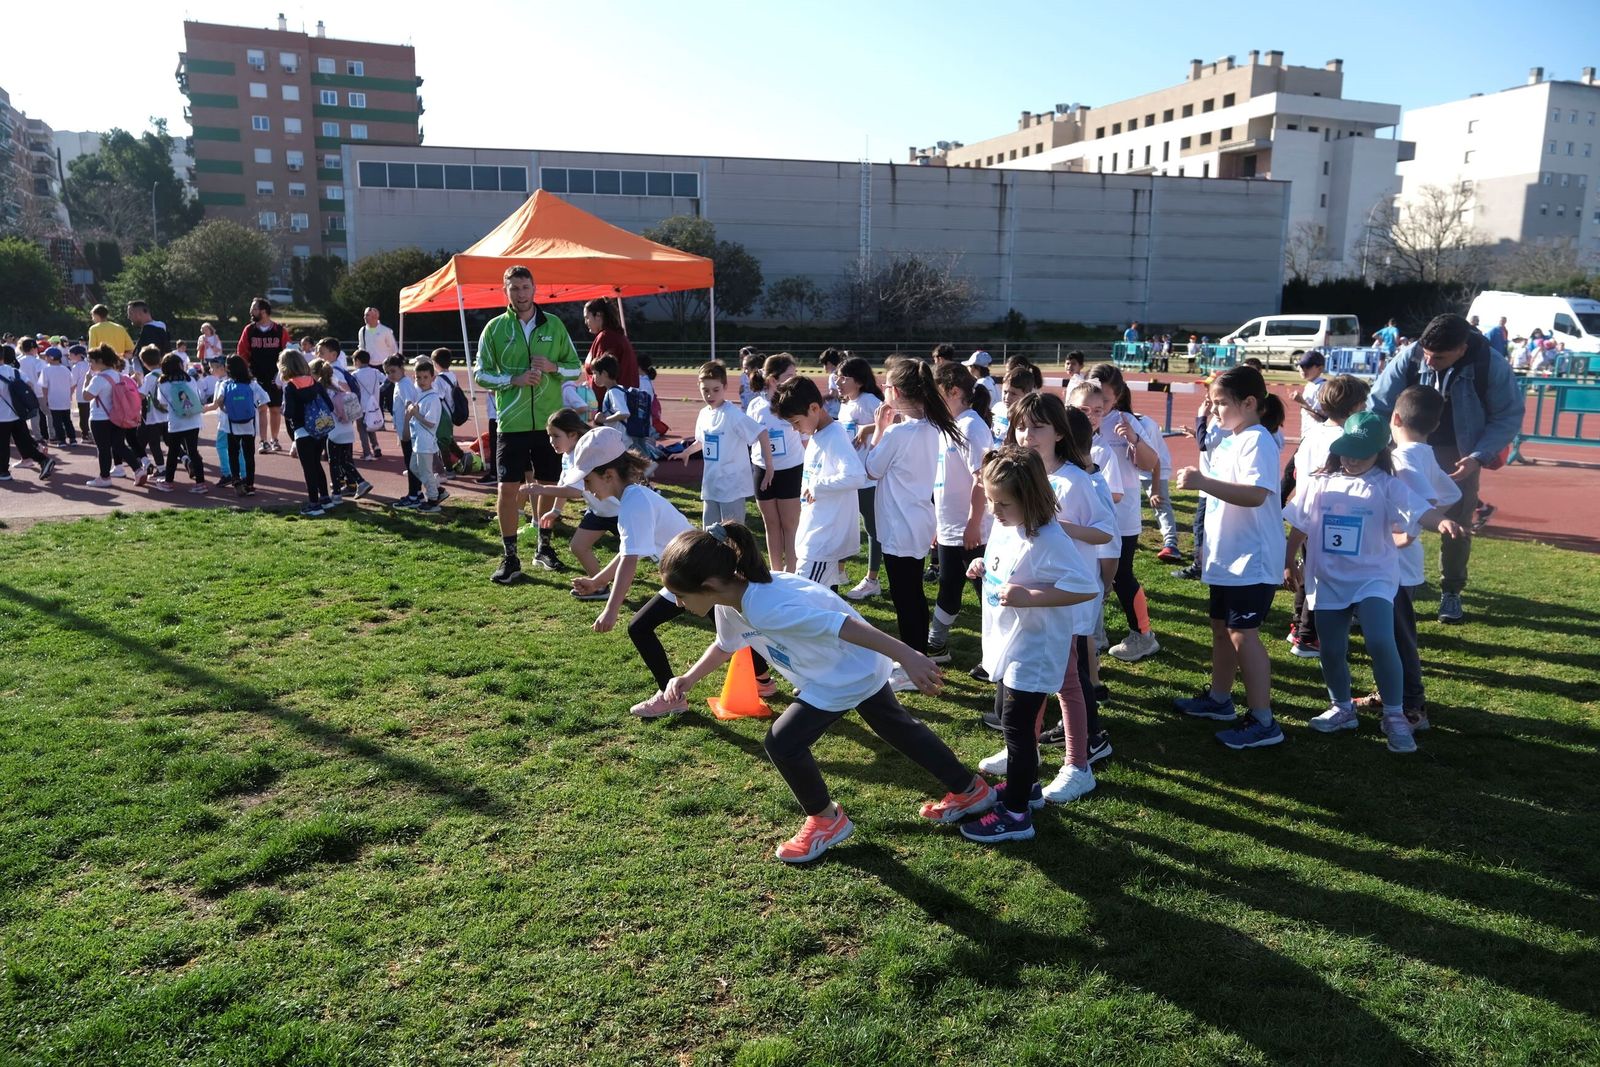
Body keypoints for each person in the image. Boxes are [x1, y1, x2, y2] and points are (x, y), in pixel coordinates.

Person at [657, 522, 997, 863]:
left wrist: (907, 654)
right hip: (852, 666)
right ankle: (970, 790)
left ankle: (825, 819)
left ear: (710, 584)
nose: (678, 603)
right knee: (898, 728)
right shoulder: (732, 598)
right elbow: (725, 645)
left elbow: (842, 625)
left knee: (783, 742)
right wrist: (689, 677)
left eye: (682, 595)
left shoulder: (765, 605)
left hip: (842, 675)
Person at [1284, 412, 1464, 754]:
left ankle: (1395, 716)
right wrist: (1288, 560)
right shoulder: (1320, 482)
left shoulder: (1388, 484)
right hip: (1328, 578)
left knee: (1381, 641)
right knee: (1332, 649)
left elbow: (1421, 509)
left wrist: (1441, 522)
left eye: (1361, 453)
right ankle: (1342, 708)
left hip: (1374, 578)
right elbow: (1300, 523)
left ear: (1379, 451)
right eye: (1348, 451)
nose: (1352, 459)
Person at [567, 427, 776, 717]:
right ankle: (762, 680)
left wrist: (611, 609)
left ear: (608, 474)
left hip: (695, 572)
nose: (587, 489)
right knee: (733, 625)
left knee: (641, 627)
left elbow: (629, 559)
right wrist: (598, 580)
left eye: (588, 480)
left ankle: (671, 695)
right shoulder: (633, 497)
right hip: (695, 567)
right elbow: (632, 549)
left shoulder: (633, 502)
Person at [960, 447, 1100, 843]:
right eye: (989, 500)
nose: (994, 510)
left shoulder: (1051, 539)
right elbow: (1009, 567)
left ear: (1030, 497)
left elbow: (1084, 587)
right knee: (1010, 720)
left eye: (1002, 502)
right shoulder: (1009, 527)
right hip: (1009, 643)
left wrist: (1031, 597)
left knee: (1019, 729)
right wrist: (984, 568)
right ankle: (1030, 788)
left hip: (1036, 650)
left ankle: (1017, 814)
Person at [1367, 313, 1524, 625]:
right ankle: (1379, 584)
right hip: (1403, 447)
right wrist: (1373, 450)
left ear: (1462, 349)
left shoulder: (1490, 365)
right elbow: (1379, 403)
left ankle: (1451, 591)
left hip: (1460, 453)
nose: (1429, 360)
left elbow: (1508, 415)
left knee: (1457, 521)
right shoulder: (1410, 357)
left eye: (1438, 356)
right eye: (1426, 352)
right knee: (1385, 516)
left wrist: (1478, 456)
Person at [1172, 365, 1287, 750]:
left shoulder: (1257, 440)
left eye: (1220, 403)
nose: (1214, 409)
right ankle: (1220, 700)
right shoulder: (1230, 439)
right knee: (1222, 629)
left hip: (1251, 559)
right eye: (1212, 402)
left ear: (1250, 403)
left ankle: (1264, 720)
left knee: (1242, 633)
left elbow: (1256, 494)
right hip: (1227, 557)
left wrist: (1203, 482)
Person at [1002, 392, 1115, 779]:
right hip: (1029, 598)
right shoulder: (1021, 474)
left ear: (1059, 433)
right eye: (1020, 427)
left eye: (1037, 427)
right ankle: (1022, 749)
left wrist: (1059, 527)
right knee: (1029, 677)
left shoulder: (1075, 481)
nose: (1027, 435)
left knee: (1067, 681)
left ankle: (1077, 763)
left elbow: (1105, 532)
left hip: (1064, 597)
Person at [474, 266, 584, 583]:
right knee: (507, 489)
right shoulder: (494, 329)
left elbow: (575, 369)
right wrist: (514, 379)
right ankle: (510, 558)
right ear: (505, 291)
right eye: (514, 288)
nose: (520, 294)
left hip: (550, 424)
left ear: (534, 288)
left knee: (547, 484)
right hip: (511, 423)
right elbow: (481, 374)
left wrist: (552, 367)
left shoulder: (554, 325)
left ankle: (543, 548)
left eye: (525, 287)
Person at [865, 357, 962, 691]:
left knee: (906, 597)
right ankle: (918, 657)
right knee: (913, 595)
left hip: (899, 525)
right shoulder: (935, 426)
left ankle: (913, 666)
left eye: (886, 386)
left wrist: (879, 429)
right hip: (919, 520)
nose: (883, 391)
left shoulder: (898, 432)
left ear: (896, 392)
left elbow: (872, 469)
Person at [1383, 387, 1463, 730]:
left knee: (1399, 639)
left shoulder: (1402, 457)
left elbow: (1427, 501)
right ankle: (1392, 696)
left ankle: (1413, 708)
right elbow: (1451, 492)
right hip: (1404, 566)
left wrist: (1408, 534)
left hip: (1397, 565)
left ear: (1395, 418)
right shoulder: (1425, 453)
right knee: (1391, 636)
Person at [1284, 374, 1370, 659]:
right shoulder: (1347, 438)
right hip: (1334, 516)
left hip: (1306, 512)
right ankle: (1309, 636)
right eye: (1364, 403)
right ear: (1355, 407)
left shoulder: (1313, 433)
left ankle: (1298, 626)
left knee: (1309, 570)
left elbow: (1298, 470)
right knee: (1324, 578)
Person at [773, 375, 867, 590]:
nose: (795, 429)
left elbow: (856, 476)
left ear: (814, 408)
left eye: (796, 422)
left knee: (805, 600)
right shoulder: (818, 435)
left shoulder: (834, 435)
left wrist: (817, 486)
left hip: (822, 542)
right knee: (825, 606)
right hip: (815, 535)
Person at [928, 362, 994, 665]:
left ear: (953, 392)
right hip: (950, 528)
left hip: (972, 531)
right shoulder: (950, 426)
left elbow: (983, 479)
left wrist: (973, 523)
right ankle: (937, 644)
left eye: (935, 393)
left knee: (989, 595)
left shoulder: (972, 427)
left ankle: (994, 657)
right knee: (949, 584)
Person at [519, 408, 620, 586]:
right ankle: (599, 586)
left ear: (573, 435)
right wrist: (555, 510)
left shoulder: (582, 455)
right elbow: (564, 485)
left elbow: (575, 492)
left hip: (620, 512)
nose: (551, 441)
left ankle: (677, 581)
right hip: (598, 512)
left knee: (648, 552)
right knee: (578, 547)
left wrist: (541, 489)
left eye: (556, 436)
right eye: (549, 436)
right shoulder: (567, 455)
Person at [675, 361, 772, 528]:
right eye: (705, 390)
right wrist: (687, 452)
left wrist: (769, 466)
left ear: (725, 386)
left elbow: (761, 433)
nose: (710, 395)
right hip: (711, 485)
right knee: (710, 534)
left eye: (715, 390)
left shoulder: (733, 414)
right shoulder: (704, 413)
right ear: (699, 387)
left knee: (733, 536)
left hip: (732, 487)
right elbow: (701, 441)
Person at [746, 354, 804, 573]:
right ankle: (776, 572)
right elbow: (750, 438)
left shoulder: (795, 404)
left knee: (790, 526)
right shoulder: (756, 406)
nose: (793, 380)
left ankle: (792, 574)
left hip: (791, 469)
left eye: (794, 375)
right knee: (771, 524)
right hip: (761, 470)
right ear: (772, 380)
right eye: (789, 376)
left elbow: (805, 439)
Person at [836, 356, 885, 601]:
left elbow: (893, 420)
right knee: (845, 523)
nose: (838, 380)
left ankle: (872, 580)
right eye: (838, 375)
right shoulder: (846, 403)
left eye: (844, 377)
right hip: (849, 476)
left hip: (868, 479)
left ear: (859, 380)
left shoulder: (869, 400)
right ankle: (840, 572)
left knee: (872, 529)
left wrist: (868, 428)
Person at [280, 347, 336, 516]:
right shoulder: (315, 383)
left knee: (308, 468)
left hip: (303, 431)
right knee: (316, 464)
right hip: (320, 429)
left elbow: (289, 412)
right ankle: (325, 498)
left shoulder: (290, 387)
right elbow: (330, 406)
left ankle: (314, 504)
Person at [238, 297, 291, 452]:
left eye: (254, 308)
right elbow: (242, 353)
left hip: (275, 376)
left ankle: (275, 439)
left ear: (263, 311)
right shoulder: (249, 330)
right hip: (256, 376)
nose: (251, 311)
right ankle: (263, 441)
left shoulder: (279, 331)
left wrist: (282, 373)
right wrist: (246, 373)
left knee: (275, 409)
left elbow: (288, 353)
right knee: (262, 408)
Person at [82, 344, 139, 487]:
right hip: (118, 416)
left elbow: (86, 396)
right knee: (120, 446)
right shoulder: (118, 375)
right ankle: (138, 469)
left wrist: (87, 380)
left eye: (91, 361)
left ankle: (104, 477)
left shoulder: (98, 379)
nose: (90, 364)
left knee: (103, 449)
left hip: (100, 418)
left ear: (100, 361)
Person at [314, 356, 369, 500]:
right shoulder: (336, 385)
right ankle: (361, 482)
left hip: (334, 430)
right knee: (345, 460)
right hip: (347, 428)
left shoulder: (321, 389)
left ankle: (337, 494)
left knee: (333, 462)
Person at [152, 352, 207, 494]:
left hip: (176, 422)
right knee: (193, 451)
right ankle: (201, 483)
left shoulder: (163, 384)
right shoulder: (190, 380)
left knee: (173, 452)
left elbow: (163, 403)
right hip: (194, 420)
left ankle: (168, 482)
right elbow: (197, 396)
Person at [0, 349, 57, 481]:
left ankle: (3, 472)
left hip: (2, 416)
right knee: (23, 442)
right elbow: (29, 386)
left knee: (3, 445)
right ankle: (43, 460)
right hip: (18, 414)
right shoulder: (14, 371)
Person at [383, 355, 425, 508]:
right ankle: (417, 493)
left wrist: (406, 429)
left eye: (393, 371)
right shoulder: (400, 383)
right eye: (387, 372)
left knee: (411, 465)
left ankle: (413, 495)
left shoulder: (404, 384)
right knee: (412, 464)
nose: (390, 375)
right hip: (405, 431)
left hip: (409, 432)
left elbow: (409, 407)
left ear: (402, 369)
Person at [405, 357, 445, 514]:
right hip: (418, 440)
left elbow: (431, 423)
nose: (422, 381)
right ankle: (438, 489)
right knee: (414, 467)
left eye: (426, 377)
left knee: (425, 470)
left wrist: (416, 414)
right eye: (419, 377)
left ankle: (433, 500)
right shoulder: (421, 394)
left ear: (433, 378)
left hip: (426, 441)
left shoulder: (433, 398)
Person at [582, 298, 639, 389]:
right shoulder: (613, 335)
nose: (585, 322)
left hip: (612, 401)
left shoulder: (607, 338)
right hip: (619, 398)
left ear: (598, 315)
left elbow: (603, 378)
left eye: (587, 318)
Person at [350, 349, 385, 460]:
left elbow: (351, 389)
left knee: (362, 430)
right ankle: (376, 447)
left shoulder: (355, 374)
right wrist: (378, 391)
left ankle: (367, 453)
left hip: (361, 406)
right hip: (374, 405)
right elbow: (386, 380)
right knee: (371, 427)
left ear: (358, 361)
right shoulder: (375, 372)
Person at [40, 346, 76, 446]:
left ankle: (61, 440)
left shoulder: (46, 370)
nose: (45, 358)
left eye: (46, 356)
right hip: (65, 399)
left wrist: (45, 398)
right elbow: (72, 384)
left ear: (51, 357)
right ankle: (72, 438)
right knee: (67, 420)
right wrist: (70, 395)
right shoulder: (65, 369)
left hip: (54, 400)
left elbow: (44, 387)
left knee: (57, 422)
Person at [15, 339, 47, 442]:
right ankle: (43, 436)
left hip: (22, 392)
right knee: (44, 414)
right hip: (39, 391)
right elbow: (40, 377)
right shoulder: (38, 361)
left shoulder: (18, 360)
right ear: (33, 349)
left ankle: (26, 436)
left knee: (23, 415)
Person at [357, 307, 400, 371]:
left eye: (367, 315)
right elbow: (361, 347)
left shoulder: (385, 331)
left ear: (375, 317)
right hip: (368, 366)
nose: (365, 317)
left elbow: (393, 348)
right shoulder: (362, 331)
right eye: (365, 315)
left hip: (384, 366)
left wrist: (394, 364)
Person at [1290, 351, 1328, 422]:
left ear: (1320, 368)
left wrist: (1302, 402)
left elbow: (1322, 418)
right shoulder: (1310, 385)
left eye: (1308, 366)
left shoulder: (1322, 387)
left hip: (1317, 431)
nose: (1303, 369)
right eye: (1301, 366)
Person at [69, 345, 90, 438]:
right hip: (92, 394)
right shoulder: (89, 364)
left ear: (78, 355)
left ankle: (85, 433)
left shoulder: (76, 367)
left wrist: (70, 394)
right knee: (89, 414)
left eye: (71, 354)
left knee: (83, 415)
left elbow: (73, 383)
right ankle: (89, 432)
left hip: (81, 395)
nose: (69, 356)